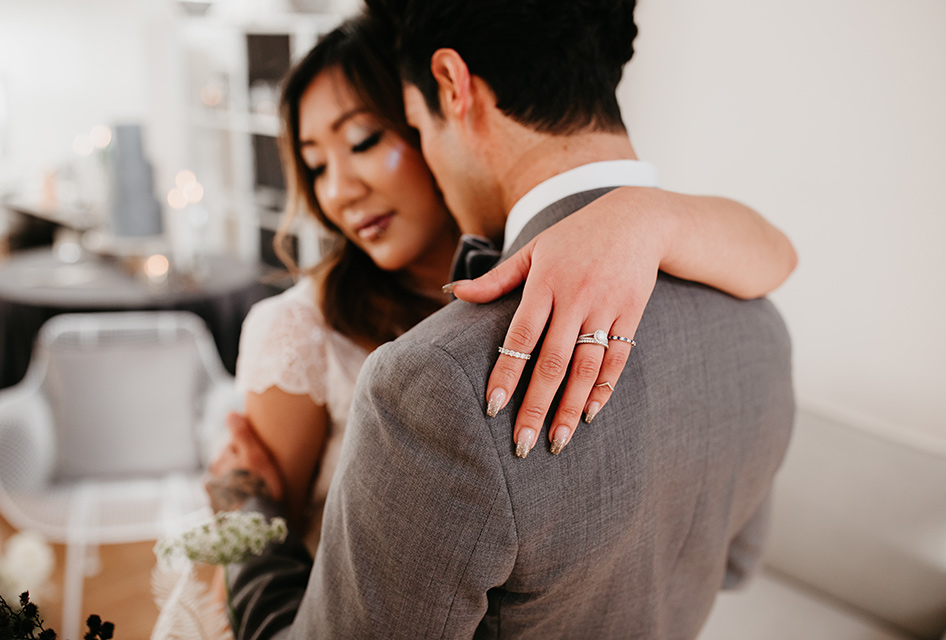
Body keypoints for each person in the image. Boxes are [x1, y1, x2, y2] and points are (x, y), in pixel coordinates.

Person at [210, 2, 795, 637]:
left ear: (453, 87)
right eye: (317, 164)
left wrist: (241, 515)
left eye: (398, 128)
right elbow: (733, 564)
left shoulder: (436, 381)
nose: (339, 191)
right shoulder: (758, 322)